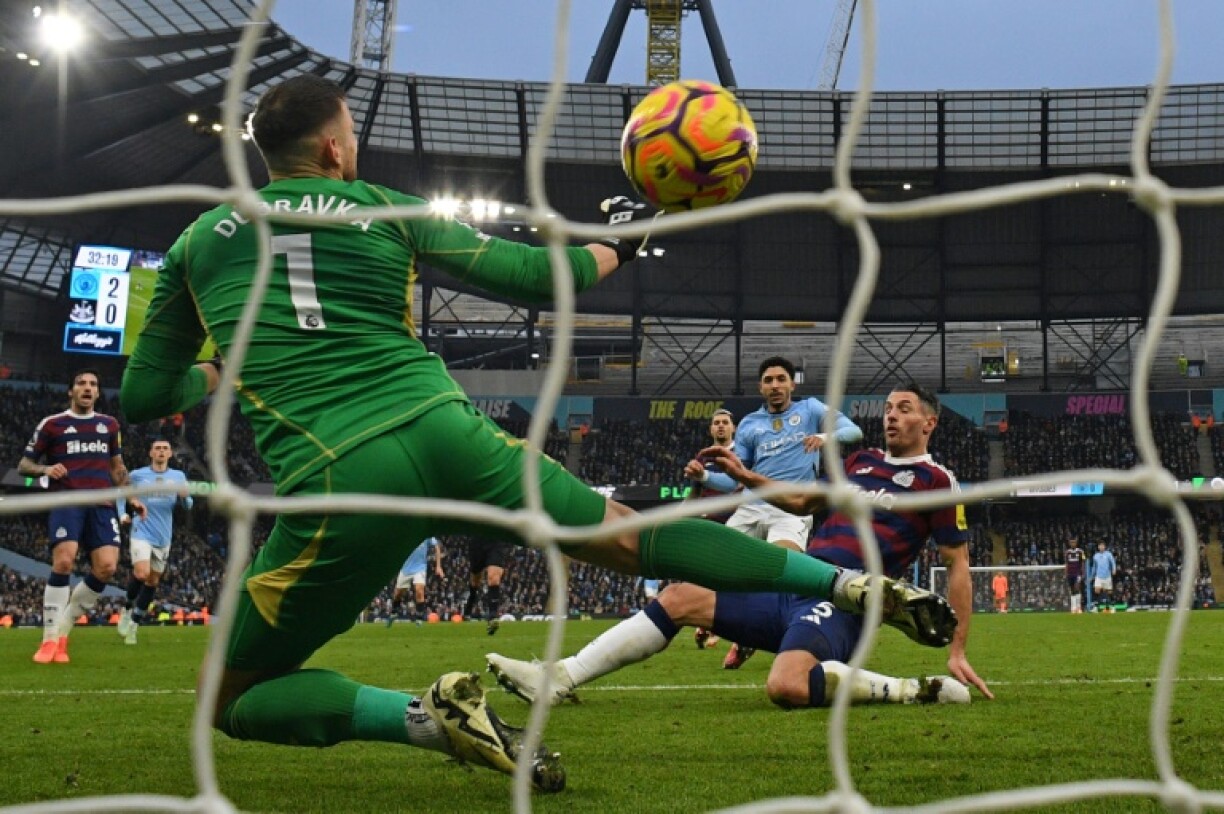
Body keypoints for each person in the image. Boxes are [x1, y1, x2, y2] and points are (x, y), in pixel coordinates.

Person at [120, 75, 952, 792]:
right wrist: (621, 242)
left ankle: (426, 716)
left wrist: (220, 370)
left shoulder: (198, 243)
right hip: (449, 433)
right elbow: (535, 276)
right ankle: (848, 585)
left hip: (341, 478)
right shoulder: (388, 207)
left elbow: (143, 394)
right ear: (335, 149)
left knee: (229, 697)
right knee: (634, 536)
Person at [488, 383, 992, 710]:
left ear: (929, 422)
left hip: (845, 602)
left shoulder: (937, 482)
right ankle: (559, 677)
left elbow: (957, 565)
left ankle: (911, 690)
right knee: (679, 596)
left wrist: (958, 649)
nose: (891, 416)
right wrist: (744, 474)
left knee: (786, 686)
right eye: (887, 408)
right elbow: (800, 500)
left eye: (904, 409)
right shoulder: (860, 462)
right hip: (799, 578)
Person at [684, 357, 863, 669]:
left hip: (790, 510)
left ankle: (752, 640)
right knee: (715, 568)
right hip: (751, 508)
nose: (775, 385)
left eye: (781, 379)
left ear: (792, 383)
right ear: (761, 387)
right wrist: (704, 476)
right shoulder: (750, 424)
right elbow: (734, 480)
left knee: (780, 571)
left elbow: (853, 431)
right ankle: (734, 631)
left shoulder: (811, 409)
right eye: (768, 380)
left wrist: (824, 437)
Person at [18, 369, 146, 664]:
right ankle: (49, 640)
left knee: (107, 567)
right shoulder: (52, 424)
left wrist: (132, 498)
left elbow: (117, 467)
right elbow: (25, 464)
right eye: (81, 383)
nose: (87, 388)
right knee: (64, 561)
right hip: (68, 500)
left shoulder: (109, 425)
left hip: (101, 503)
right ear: (71, 391)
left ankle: (63, 633)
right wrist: (45, 469)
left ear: (98, 393)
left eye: (93, 384)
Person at [116, 438, 193, 645]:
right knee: (141, 573)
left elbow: (188, 505)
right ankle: (127, 608)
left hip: (163, 536)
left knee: (153, 581)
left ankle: (134, 625)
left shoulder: (178, 476)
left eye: (165, 448)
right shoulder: (138, 475)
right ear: (151, 453)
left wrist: (185, 497)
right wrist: (123, 513)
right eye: (157, 448)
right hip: (141, 530)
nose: (161, 451)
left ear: (170, 454)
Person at [689, 407, 738, 651]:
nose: (720, 426)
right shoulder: (703, 456)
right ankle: (707, 625)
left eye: (725, 422)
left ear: (733, 428)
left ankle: (715, 627)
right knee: (708, 577)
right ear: (711, 429)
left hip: (736, 522)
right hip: (707, 523)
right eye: (716, 422)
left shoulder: (742, 454)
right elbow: (695, 492)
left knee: (727, 577)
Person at [387, 536, 443, 627]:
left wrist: (438, 566)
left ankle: (419, 619)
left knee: (419, 590)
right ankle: (394, 612)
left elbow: (437, 546)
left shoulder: (427, 535)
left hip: (420, 568)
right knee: (398, 594)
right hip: (405, 568)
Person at [464, 535, 509, 635]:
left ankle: (493, 616)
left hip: (496, 540)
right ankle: (471, 601)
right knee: (475, 580)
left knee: (494, 578)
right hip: (477, 541)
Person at [1091, 540, 1118, 613]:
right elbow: (1094, 566)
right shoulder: (1095, 556)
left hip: (1107, 576)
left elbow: (1113, 562)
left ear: (1105, 547)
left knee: (1109, 592)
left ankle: (1112, 607)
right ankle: (1096, 607)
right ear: (1098, 547)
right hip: (1098, 576)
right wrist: (1092, 575)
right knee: (1097, 590)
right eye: (1100, 546)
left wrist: (1114, 569)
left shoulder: (1108, 554)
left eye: (1103, 546)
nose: (1101, 547)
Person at [1064, 537, 1087, 614]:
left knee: (1077, 588)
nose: (1073, 544)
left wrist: (1083, 573)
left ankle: (1079, 607)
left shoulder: (1080, 551)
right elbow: (1066, 563)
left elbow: (1083, 562)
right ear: (1069, 543)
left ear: (1076, 543)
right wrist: (1066, 573)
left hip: (1078, 573)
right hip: (1070, 573)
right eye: (1071, 542)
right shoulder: (1067, 552)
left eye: (1074, 542)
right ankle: (1073, 608)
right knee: (1072, 590)